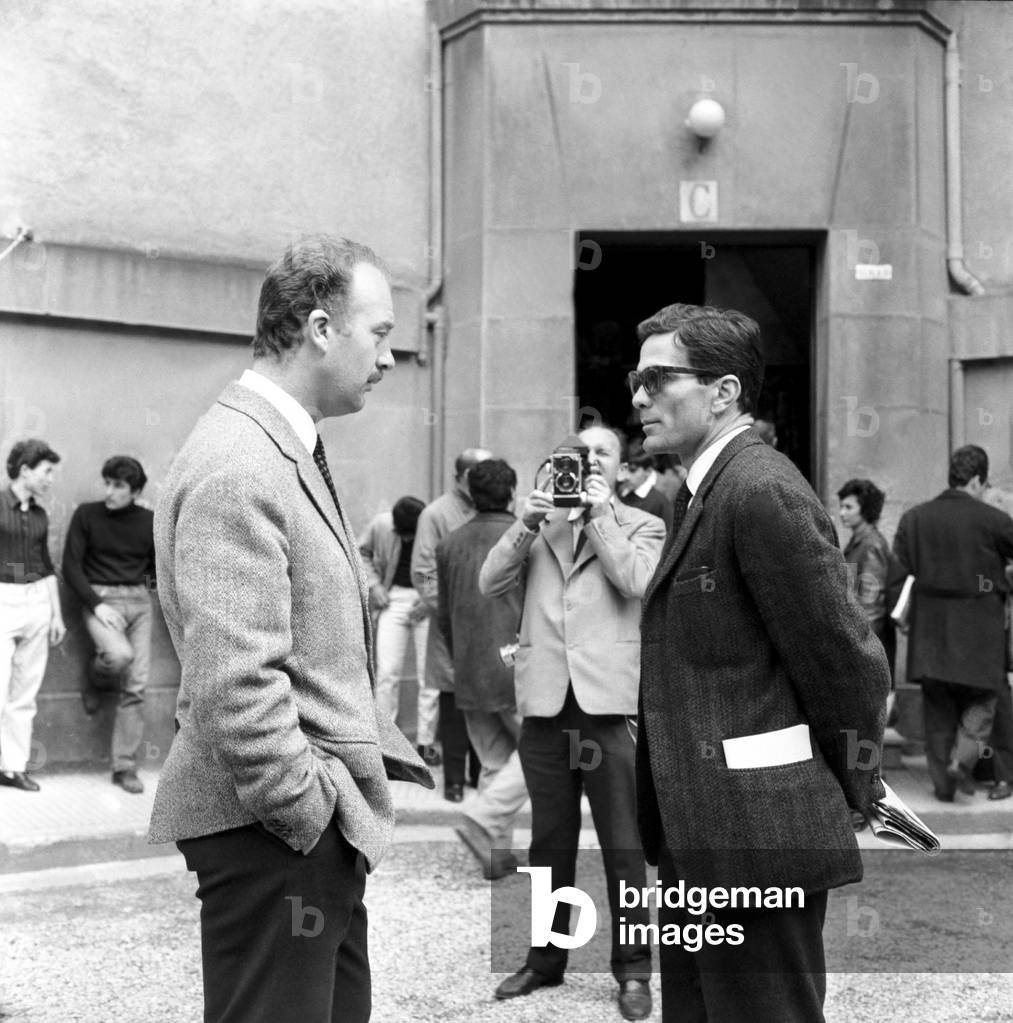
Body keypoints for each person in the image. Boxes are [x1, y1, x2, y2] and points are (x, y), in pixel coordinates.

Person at [148, 236, 433, 1023]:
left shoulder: (275, 445)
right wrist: (311, 815)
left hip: (295, 837)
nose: (389, 355)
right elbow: (236, 681)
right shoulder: (242, 462)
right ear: (318, 328)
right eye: (378, 332)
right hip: (277, 836)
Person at [630, 303, 889, 1023]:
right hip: (700, 830)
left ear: (723, 392)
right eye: (634, 377)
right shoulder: (702, 488)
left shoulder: (759, 488)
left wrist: (850, 784)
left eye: (658, 378)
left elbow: (847, 662)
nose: (637, 396)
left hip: (757, 833)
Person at [480, 425, 663, 1022]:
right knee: (549, 843)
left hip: (609, 707)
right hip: (546, 707)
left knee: (624, 846)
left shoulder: (643, 524)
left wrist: (603, 512)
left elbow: (636, 580)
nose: (587, 463)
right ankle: (545, 958)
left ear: (622, 468)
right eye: (577, 454)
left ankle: (634, 971)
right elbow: (490, 583)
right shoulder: (539, 529)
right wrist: (525, 522)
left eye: (601, 454)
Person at [893, 445, 1013, 802]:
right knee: (982, 705)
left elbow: (896, 574)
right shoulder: (994, 520)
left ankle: (942, 784)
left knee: (937, 711)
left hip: (929, 634)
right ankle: (962, 761)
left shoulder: (914, 518)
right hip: (980, 636)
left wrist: (901, 616)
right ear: (976, 479)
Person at [436, 458, 527, 880]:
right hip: (517, 663)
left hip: (469, 666)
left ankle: (496, 854)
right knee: (548, 751)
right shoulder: (526, 537)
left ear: (470, 493)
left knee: (494, 762)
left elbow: (442, 614)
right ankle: (485, 819)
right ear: (512, 493)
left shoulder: (449, 543)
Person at [62, 455, 155, 794]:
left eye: (119, 486)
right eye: (108, 483)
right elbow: (71, 566)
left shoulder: (148, 521)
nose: (110, 491)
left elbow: (156, 569)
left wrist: (143, 589)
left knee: (137, 684)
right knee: (118, 656)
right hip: (100, 601)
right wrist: (98, 604)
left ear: (135, 491)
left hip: (139, 604)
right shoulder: (87, 515)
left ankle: (124, 767)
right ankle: (98, 675)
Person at [411, 447, 491, 801]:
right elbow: (424, 573)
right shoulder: (436, 514)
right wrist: (450, 614)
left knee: (486, 703)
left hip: (492, 624)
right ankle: (455, 780)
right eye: (475, 474)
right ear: (458, 477)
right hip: (451, 626)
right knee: (453, 704)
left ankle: (481, 773)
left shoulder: (496, 504)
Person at [0, 439, 66, 792]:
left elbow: (45, 566)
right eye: (46, 471)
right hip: (2, 600)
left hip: (37, 602)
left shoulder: (40, 514)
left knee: (24, 694)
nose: (50, 479)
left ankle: (12, 768)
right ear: (25, 470)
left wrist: (55, 615)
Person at [358, 495, 441, 765]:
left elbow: (439, 563)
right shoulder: (382, 524)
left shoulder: (432, 526)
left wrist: (429, 599)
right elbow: (362, 552)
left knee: (427, 676)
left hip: (423, 600)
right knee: (387, 673)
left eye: (411, 535)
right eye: (402, 534)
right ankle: (386, 745)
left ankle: (426, 743)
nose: (406, 540)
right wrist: (375, 585)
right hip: (392, 598)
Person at [837, 477, 897, 676]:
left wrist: (862, 645)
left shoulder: (871, 545)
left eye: (848, 507)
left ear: (865, 509)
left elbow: (872, 605)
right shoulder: (859, 542)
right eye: (841, 506)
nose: (841, 513)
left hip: (867, 644)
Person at [617, 437, 673, 532]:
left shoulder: (660, 503)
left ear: (648, 471)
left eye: (633, 470)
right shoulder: (620, 491)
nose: (626, 476)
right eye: (623, 469)